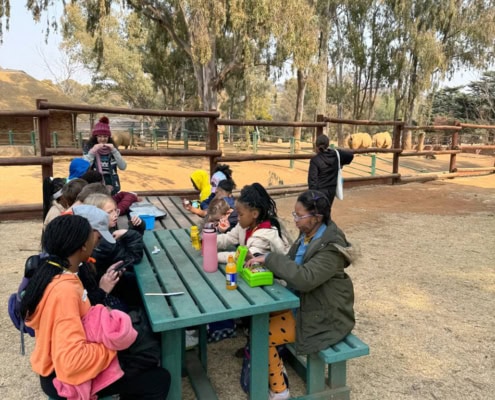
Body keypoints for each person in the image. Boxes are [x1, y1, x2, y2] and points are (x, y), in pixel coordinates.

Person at [20, 214, 170, 399]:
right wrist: (113, 347)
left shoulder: (54, 271)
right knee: (158, 379)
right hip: (62, 377)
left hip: (55, 364)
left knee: (143, 353)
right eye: (93, 236)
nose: (96, 240)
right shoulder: (64, 290)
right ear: (83, 246)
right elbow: (72, 362)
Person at [246, 190, 356, 400]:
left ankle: (280, 391)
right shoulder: (309, 235)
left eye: (299, 215)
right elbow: (289, 263)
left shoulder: (331, 248)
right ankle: (275, 367)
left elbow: (304, 279)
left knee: (263, 334)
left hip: (324, 317)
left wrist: (270, 259)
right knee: (257, 321)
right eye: (294, 214)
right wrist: (263, 261)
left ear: (317, 217)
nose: (294, 220)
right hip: (306, 306)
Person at [216, 182, 290, 263]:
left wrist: (214, 257)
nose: (238, 218)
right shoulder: (245, 226)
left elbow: (244, 258)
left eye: (241, 214)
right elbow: (229, 238)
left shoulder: (264, 236)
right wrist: (209, 241)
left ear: (254, 214)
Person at [308, 134, 354, 210]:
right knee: (327, 211)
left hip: (319, 192)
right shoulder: (336, 154)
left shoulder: (315, 160)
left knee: (318, 214)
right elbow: (350, 156)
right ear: (328, 145)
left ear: (316, 146)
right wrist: (340, 163)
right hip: (331, 191)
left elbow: (312, 181)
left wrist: (313, 197)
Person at [83, 116, 127, 195]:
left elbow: (123, 166)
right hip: (94, 187)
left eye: (105, 136)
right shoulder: (89, 148)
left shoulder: (113, 149)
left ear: (109, 137)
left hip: (112, 184)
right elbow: (84, 167)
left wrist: (114, 150)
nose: (102, 139)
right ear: (95, 137)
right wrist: (92, 151)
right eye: (99, 136)